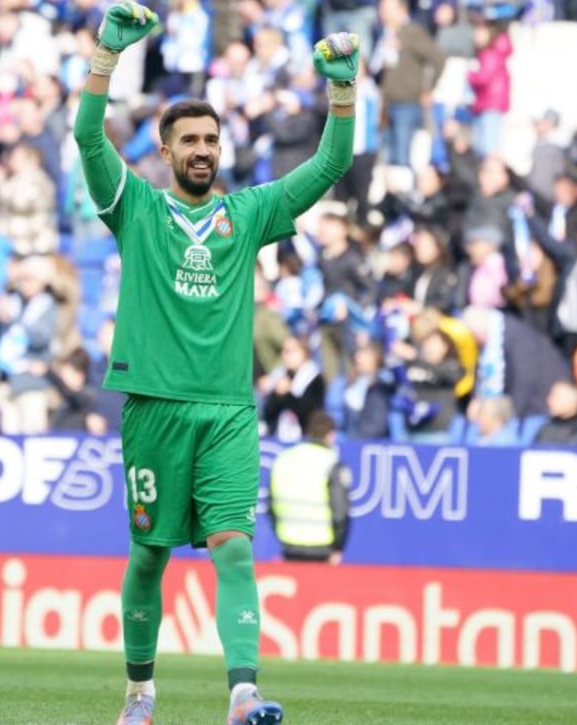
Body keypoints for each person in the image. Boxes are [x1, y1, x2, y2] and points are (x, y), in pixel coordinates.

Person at [73, 4, 358, 723]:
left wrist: (343, 89)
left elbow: (332, 162)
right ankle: (139, 694)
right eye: (189, 139)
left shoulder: (251, 212)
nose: (202, 148)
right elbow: (85, 134)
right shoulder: (134, 207)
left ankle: (242, 694)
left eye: (211, 138)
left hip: (230, 411)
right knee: (149, 557)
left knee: (234, 547)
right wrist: (108, 53)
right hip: (153, 408)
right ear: (165, 152)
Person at [268, 411, 351, 564]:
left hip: (289, 543)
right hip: (321, 546)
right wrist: (338, 547)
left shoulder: (284, 458)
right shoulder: (331, 462)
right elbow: (340, 511)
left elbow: (271, 505)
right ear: (331, 435)